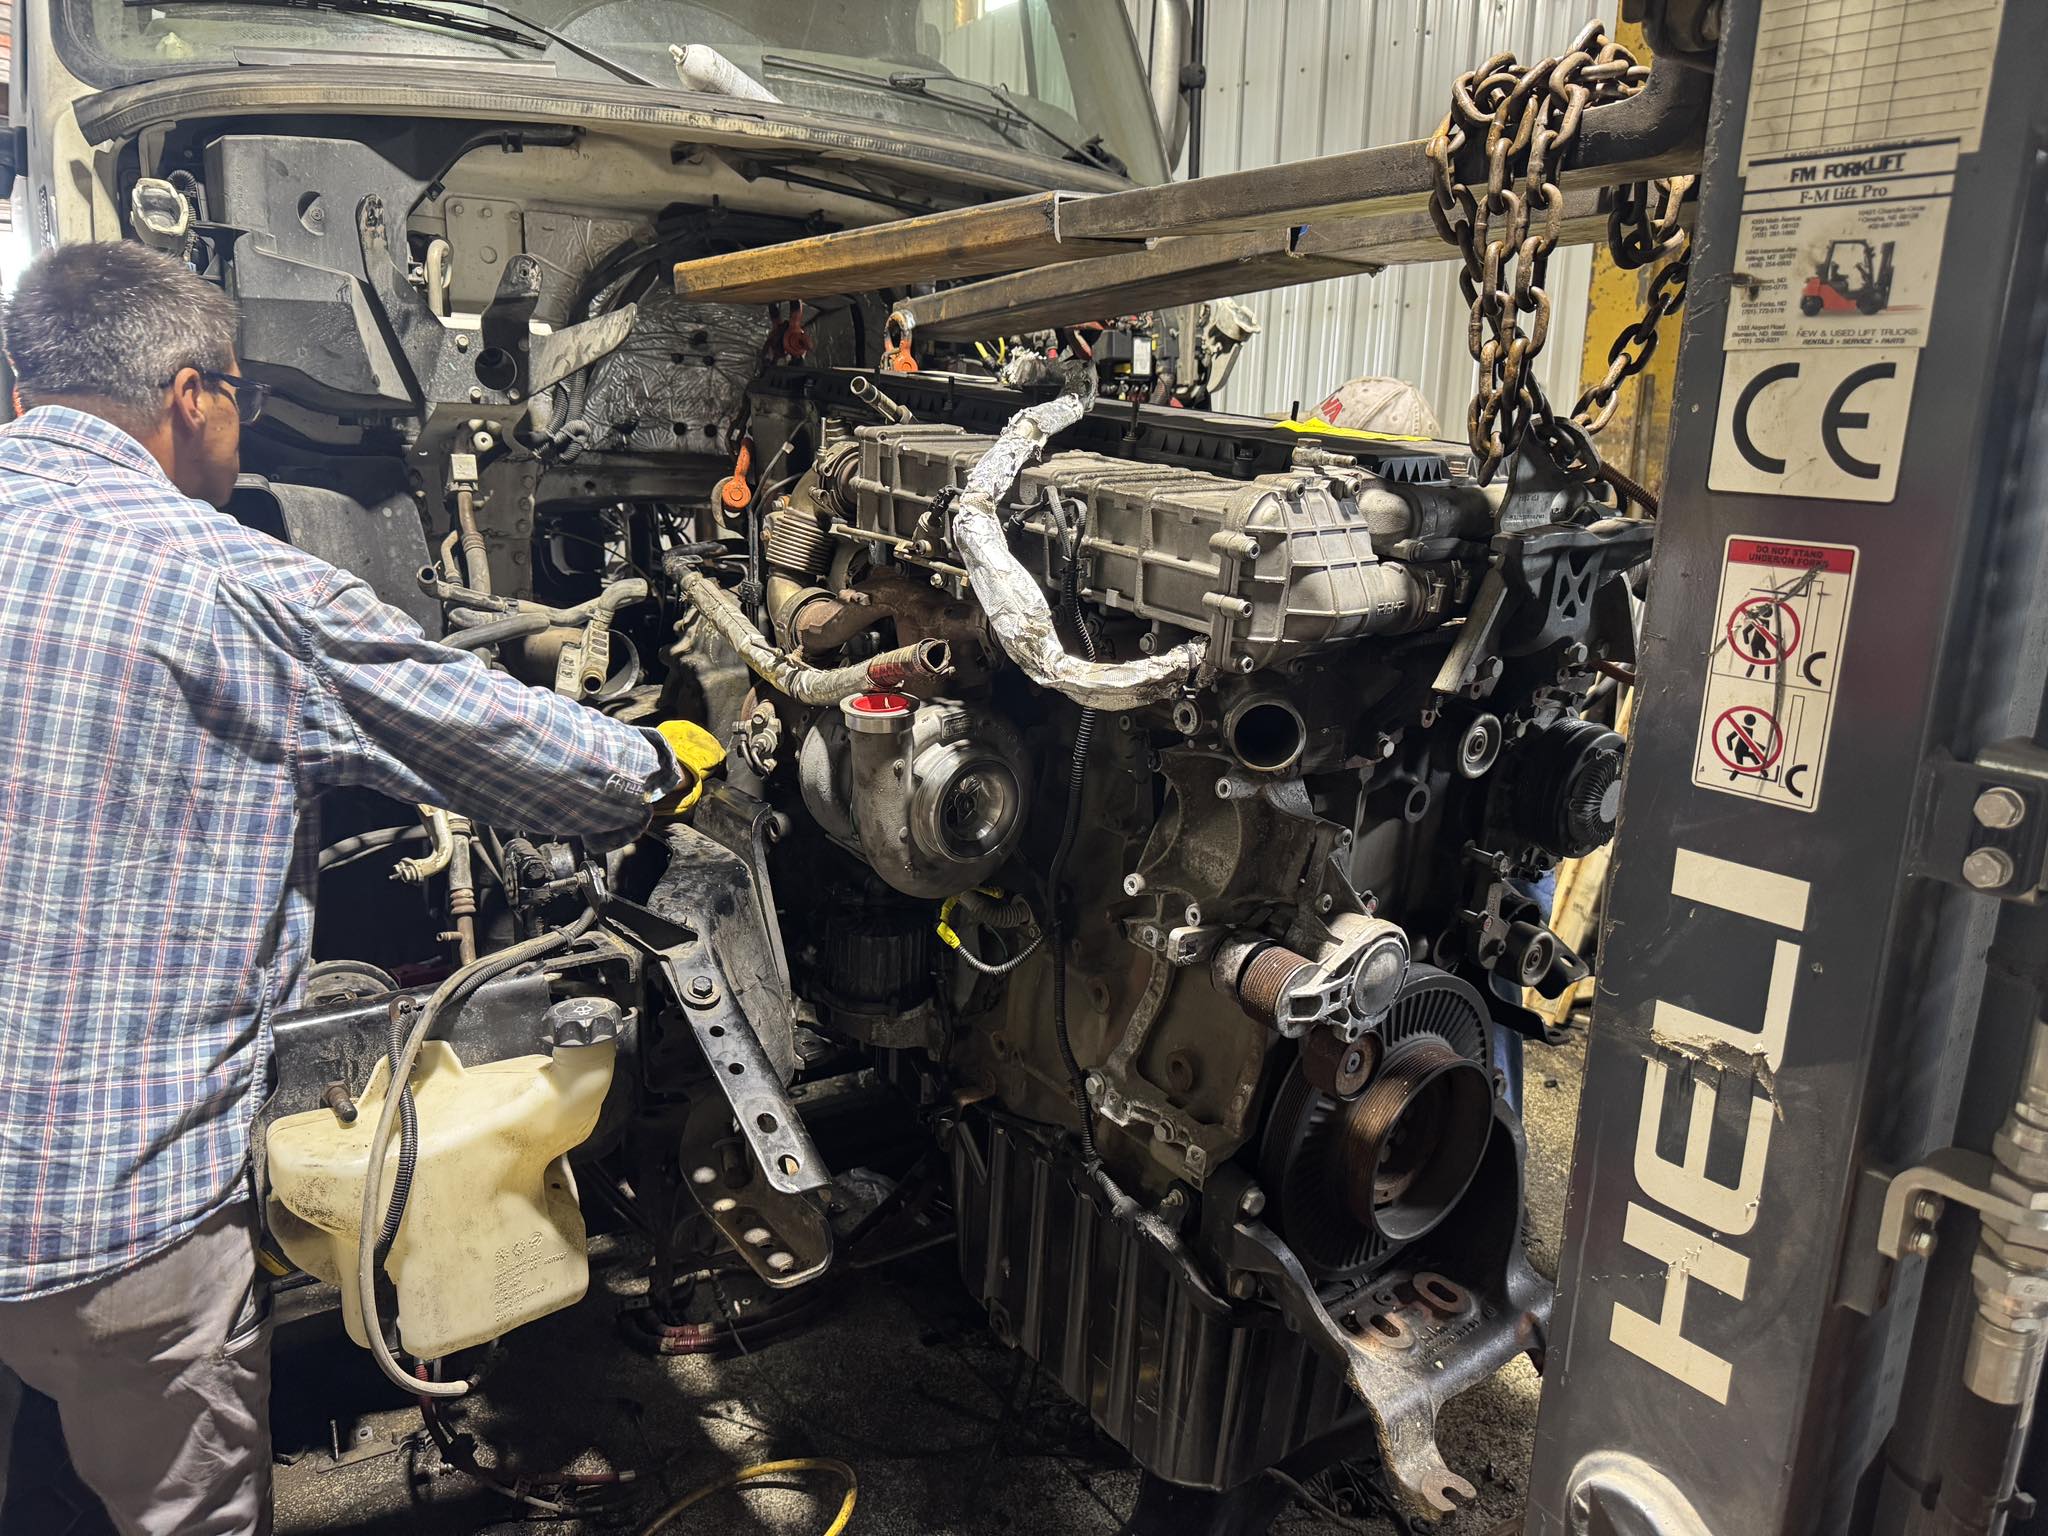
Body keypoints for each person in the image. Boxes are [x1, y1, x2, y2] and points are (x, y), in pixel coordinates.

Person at [0, 242, 679, 1535]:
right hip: (107, 1226)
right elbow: (502, 743)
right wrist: (656, 768)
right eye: (240, 395)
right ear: (192, 395)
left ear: (25, 397)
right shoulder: (232, 581)